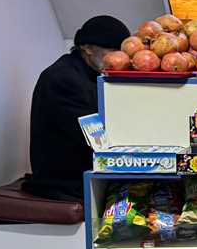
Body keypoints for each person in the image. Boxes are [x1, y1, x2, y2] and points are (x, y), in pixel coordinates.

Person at [23, 15, 130, 202]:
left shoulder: (90, 73)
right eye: (111, 50)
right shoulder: (63, 78)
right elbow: (97, 137)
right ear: (87, 47)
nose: (118, 58)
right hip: (64, 183)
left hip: (81, 173)